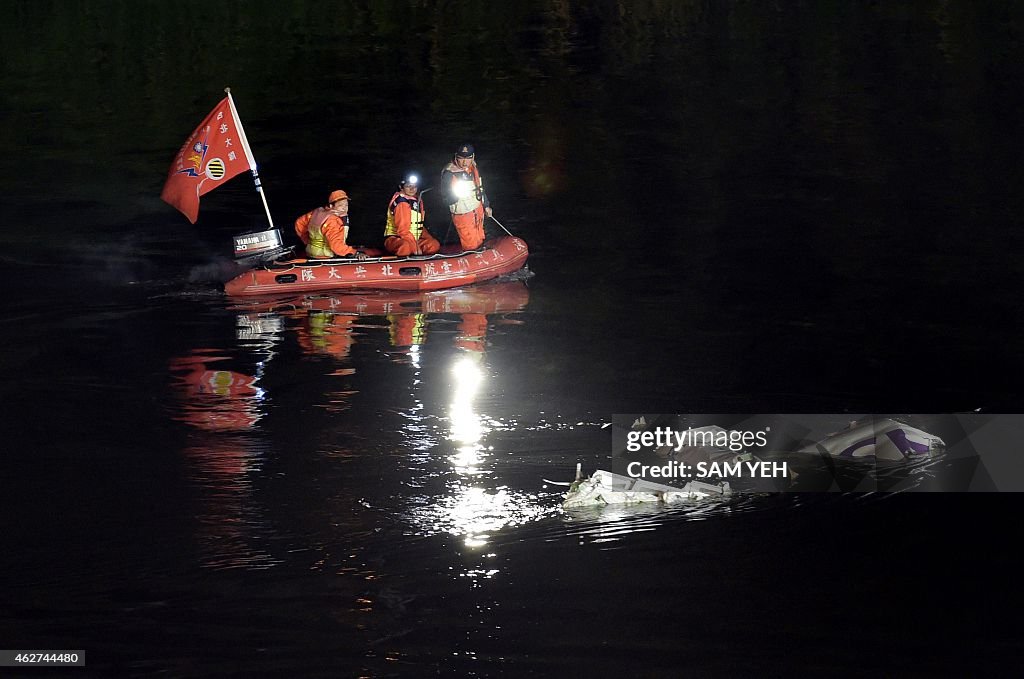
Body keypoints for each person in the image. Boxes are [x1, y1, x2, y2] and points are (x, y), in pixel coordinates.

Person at [441, 143, 492, 251]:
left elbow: (479, 187)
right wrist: (455, 195)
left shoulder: (473, 167)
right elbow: (445, 199)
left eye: (468, 158)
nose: (465, 162)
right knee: (471, 244)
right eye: (461, 158)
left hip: (477, 210)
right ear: (456, 156)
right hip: (463, 214)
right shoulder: (449, 173)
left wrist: (486, 205)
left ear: (473, 157)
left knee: (481, 238)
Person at [294, 189, 366, 259]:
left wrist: (307, 241)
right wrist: (354, 252)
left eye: (346, 205)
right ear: (331, 206)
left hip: (311, 253)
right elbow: (336, 246)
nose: (344, 208)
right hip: (326, 256)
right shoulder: (333, 220)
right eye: (340, 205)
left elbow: (299, 223)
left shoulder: (317, 212)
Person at [383, 174, 441, 256]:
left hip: (413, 239)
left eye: (414, 186)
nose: (412, 189)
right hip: (396, 239)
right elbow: (402, 231)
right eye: (408, 186)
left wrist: (428, 239)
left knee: (433, 245)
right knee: (405, 248)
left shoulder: (416, 200)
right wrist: (415, 248)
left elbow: (418, 225)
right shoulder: (401, 202)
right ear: (401, 187)